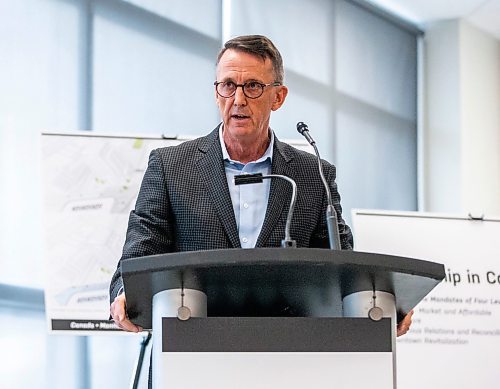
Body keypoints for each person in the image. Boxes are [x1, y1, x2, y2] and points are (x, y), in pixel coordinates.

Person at [109, 34, 412, 336]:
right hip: (190, 348)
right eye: (228, 85)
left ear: (278, 97)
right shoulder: (170, 167)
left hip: (286, 354)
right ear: (217, 93)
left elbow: (341, 268)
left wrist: (382, 306)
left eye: (253, 86)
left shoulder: (313, 176)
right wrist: (126, 293)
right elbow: (139, 253)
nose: (238, 99)